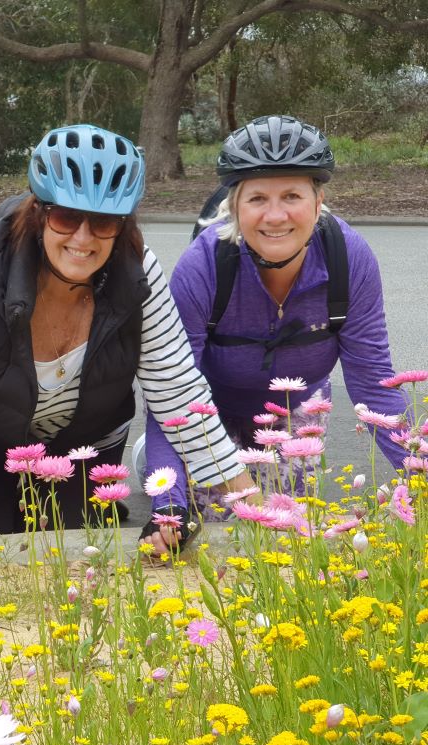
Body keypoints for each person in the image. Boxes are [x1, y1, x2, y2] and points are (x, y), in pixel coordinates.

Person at [0, 123, 249, 550]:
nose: (82, 238)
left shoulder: (139, 274)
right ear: (39, 211)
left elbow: (178, 393)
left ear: (123, 225)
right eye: (65, 217)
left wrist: (253, 505)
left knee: (78, 555)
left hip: (84, 453)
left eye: (103, 222)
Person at [141, 115, 410, 549]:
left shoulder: (349, 259)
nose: (275, 215)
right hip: (209, 415)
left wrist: (419, 474)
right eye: (257, 199)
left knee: (285, 531)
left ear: (319, 200)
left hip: (294, 414)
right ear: (235, 206)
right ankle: (151, 463)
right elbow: (171, 398)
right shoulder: (204, 264)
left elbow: (374, 387)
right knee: (222, 528)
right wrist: (167, 505)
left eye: (292, 196)